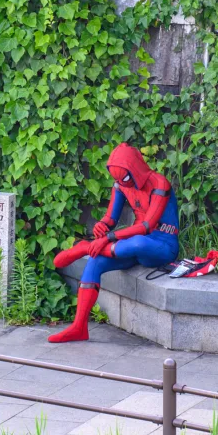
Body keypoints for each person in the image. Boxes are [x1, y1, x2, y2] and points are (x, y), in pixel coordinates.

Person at [49, 142, 180, 343]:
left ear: (135, 169)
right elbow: (111, 218)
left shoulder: (159, 184)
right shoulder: (121, 184)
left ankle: (84, 248)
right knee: (95, 261)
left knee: (137, 242)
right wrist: (102, 227)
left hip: (161, 245)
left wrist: (106, 240)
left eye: (125, 177)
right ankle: (79, 327)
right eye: (117, 179)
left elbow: (146, 226)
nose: (122, 183)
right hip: (130, 245)